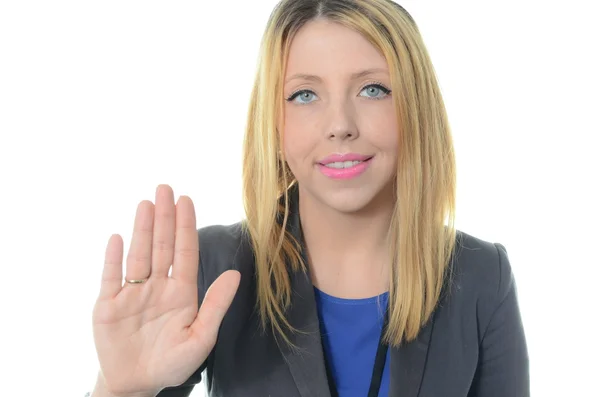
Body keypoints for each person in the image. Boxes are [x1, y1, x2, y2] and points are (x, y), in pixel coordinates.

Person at [90, 0, 530, 396]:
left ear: (416, 108)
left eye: (372, 89)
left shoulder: (481, 276)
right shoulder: (216, 267)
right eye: (304, 95)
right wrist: (122, 391)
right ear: (274, 126)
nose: (339, 124)